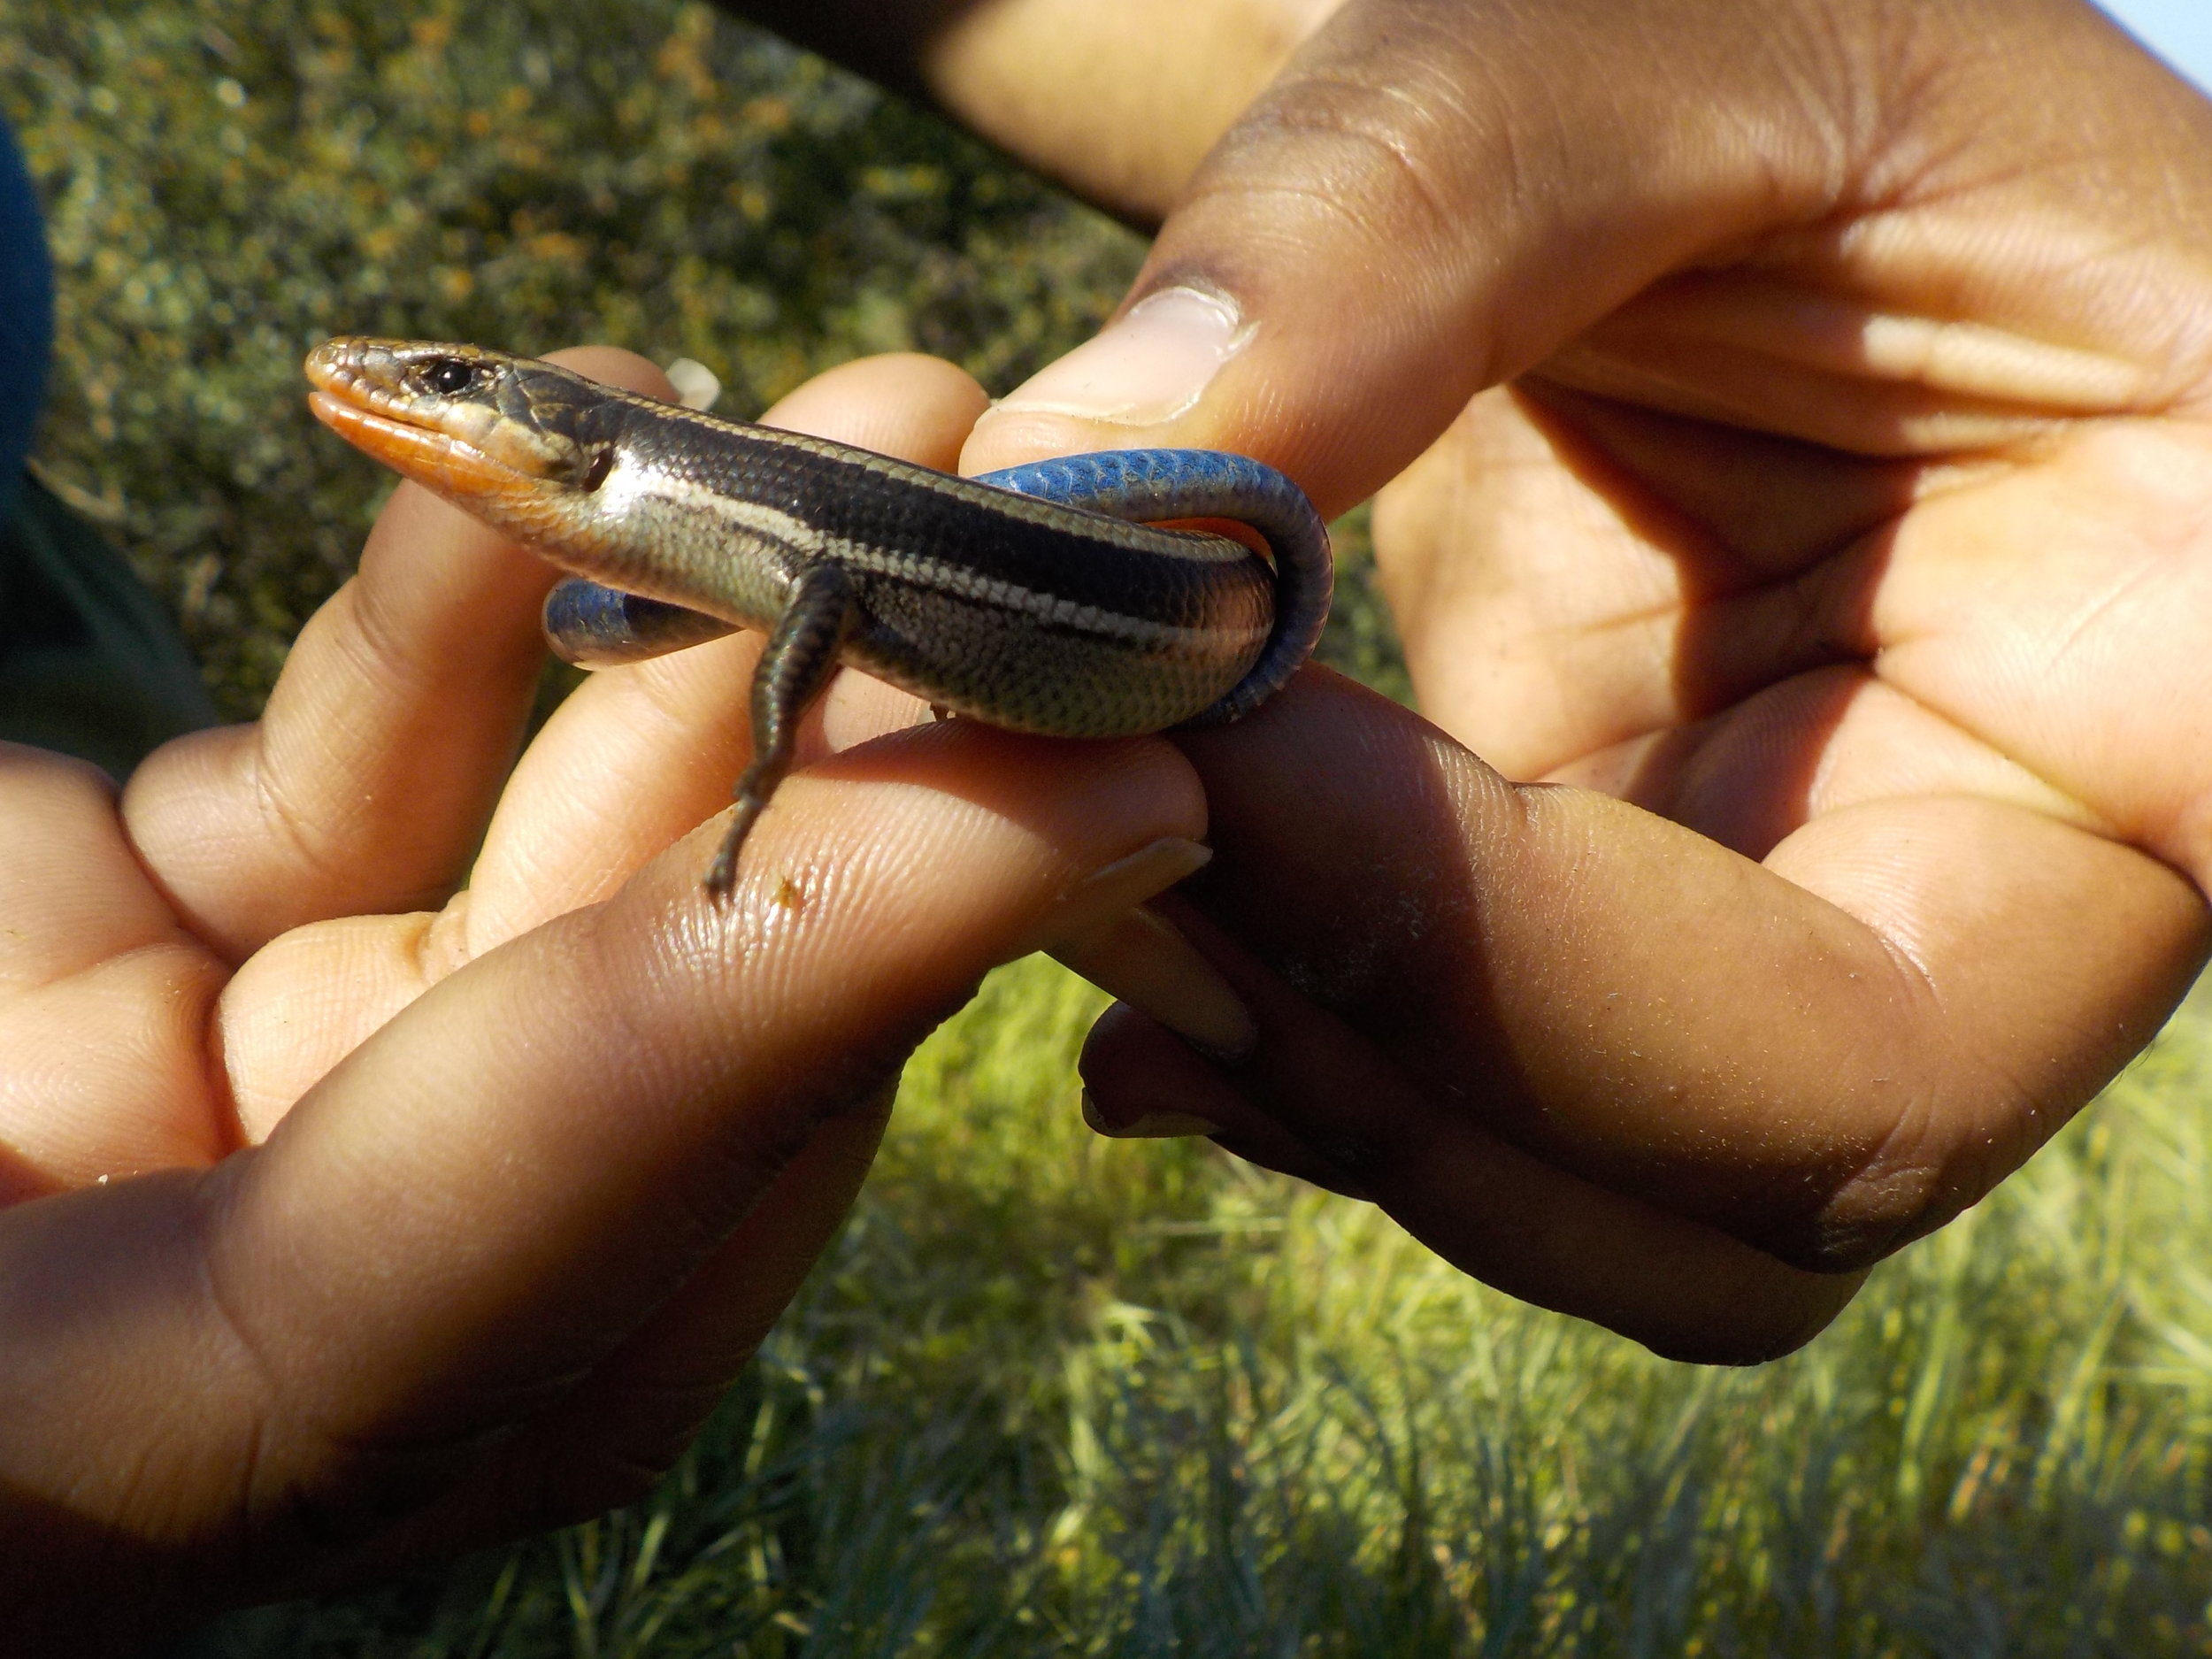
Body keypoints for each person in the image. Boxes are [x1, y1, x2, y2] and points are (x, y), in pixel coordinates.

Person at [6, 0, 2211, 1644]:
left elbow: (812, 622)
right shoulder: (628, 539)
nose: (412, 391)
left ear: (559, 417)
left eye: (461, 376)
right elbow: (709, 614)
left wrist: (1585, 218)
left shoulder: (669, 479)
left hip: (1129, 614)